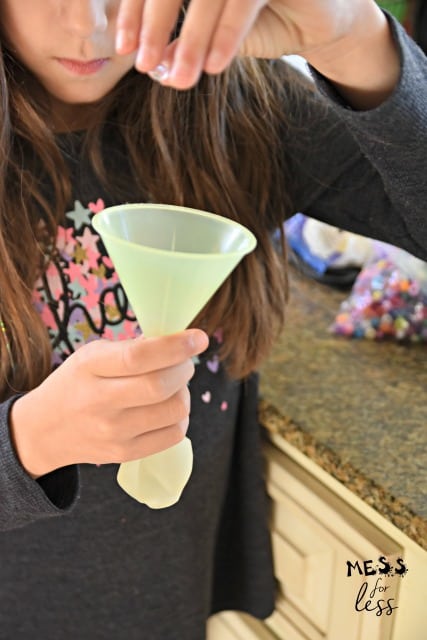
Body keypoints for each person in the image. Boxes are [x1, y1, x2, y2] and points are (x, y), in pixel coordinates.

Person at [0, 1, 426, 638]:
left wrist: (353, 42)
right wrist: (27, 440)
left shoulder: (248, 115)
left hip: (167, 594)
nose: (89, 24)